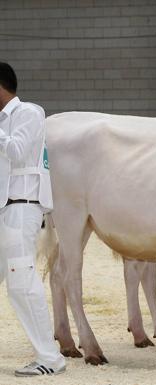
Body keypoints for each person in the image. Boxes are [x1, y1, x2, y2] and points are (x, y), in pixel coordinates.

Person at [0, 62, 66, 376]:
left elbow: (15, 151)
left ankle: (50, 358)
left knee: (22, 284)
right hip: (5, 209)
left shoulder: (29, 112)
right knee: (15, 283)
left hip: (22, 208)